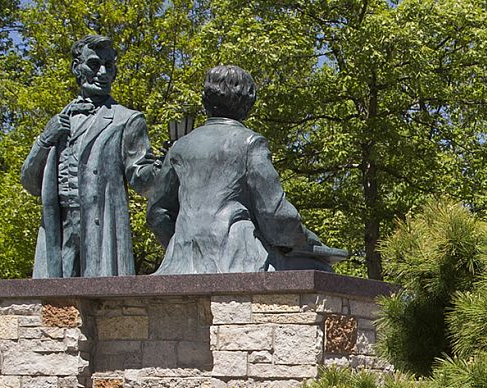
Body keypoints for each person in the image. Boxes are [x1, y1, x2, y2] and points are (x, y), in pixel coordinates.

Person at [147, 65, 345, 274]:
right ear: (248, 103)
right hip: (239, 259)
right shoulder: (250, 143)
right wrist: (307, 241)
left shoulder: (180, 146)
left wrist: (183, 247)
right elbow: (276, 215)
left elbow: (157, 213)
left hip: (179, 263)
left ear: (205, 101)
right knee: (320, 269)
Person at [21, 36, 157, 278]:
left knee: (103, 303)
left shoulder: (126, 120)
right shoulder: (59, 122)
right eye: (94, 64)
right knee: (55, 305)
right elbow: (31, 184)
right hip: (59, 228)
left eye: (109, 65)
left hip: (101, 227)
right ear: (77, 68)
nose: (103, 72)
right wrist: (44, 140)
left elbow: (143, 181)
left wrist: (162, 167)